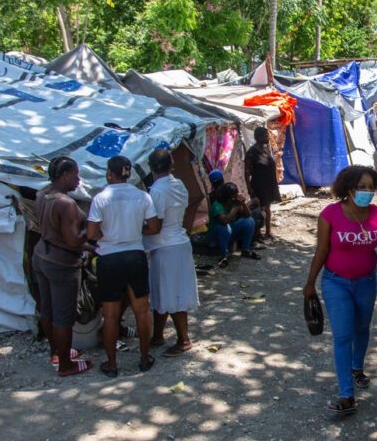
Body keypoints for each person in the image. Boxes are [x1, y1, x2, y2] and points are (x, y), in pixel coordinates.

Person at [303, 166, 377, 415]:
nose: (367, 192)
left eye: (371, 187)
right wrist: (310, 284)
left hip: (367, 282)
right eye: (362, 187)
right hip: (336, 283)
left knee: (362, 328)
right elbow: (322, 251)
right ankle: (346, 394)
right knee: (342, 336)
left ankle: (357, 367)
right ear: (348, 189)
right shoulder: (329, 214)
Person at [87, 155, 161, 377]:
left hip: (109, 258)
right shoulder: (142, 196)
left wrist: (107, 236)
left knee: (110, 315)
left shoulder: (100, 199)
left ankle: (111, 364)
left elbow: (91, 233)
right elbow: (154, 227)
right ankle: (145, 357)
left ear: (110, 173)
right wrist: (135, 232)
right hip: (135, 255)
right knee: (142, 310)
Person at [33, 157, 93, 377]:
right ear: (66, 174)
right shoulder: (65, 204)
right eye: (76, 174)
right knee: (63, 315)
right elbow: (73, 240)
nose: (78, 180)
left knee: (47, 308)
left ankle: (56, 351)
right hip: (62, 262)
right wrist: (92, 229)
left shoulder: (42, 194)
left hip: (42, 254)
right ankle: (66, 364)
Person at [144, 149, 199, 357]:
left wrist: (132, 228)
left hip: (165, 245)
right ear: (171, 165)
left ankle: (184, 339)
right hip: (177, 242)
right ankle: (158, 335)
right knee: (162, 291)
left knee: (172, 294)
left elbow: (154, 226)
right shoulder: (178, 184)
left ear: (151, 167)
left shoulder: (157, 191)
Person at [209, 182, 262, 268]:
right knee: (223, 227)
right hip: (216, 236)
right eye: (235, 195)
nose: (236, 196)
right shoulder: (217, 205)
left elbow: (248, 215)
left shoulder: (234, 203)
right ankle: (224, 256)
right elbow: (224, 221)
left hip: (229, 233)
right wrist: (237, 207)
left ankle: (245, 249)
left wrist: (243, 203)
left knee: (249, 221)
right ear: (229, 197)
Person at [244, 127, 280, 241]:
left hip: (268, 185)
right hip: (258, 185)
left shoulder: (266, 149)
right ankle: (257, 233)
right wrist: (249, 189)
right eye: (265, 135)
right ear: (259, 137)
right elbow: (246, 172)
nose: (268, 137)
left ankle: (268, 231)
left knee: (268, 208)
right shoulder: (252, 152)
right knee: (258, 210)